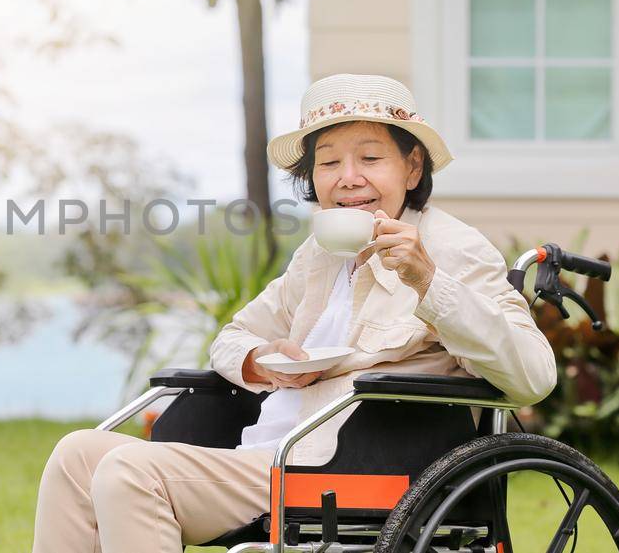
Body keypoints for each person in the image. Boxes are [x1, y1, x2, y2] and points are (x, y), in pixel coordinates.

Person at [29, 73, 557, 553]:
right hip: (267, 452)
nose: (347, 178)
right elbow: (232, 337)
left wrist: (428, 282)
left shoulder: (452, 250)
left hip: (347, 463)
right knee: (76, 455)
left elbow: (533, 376)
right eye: (329, 162)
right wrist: (262, 360)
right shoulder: (319, 255)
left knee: (129, 470)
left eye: (370, 159)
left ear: (412, 166)